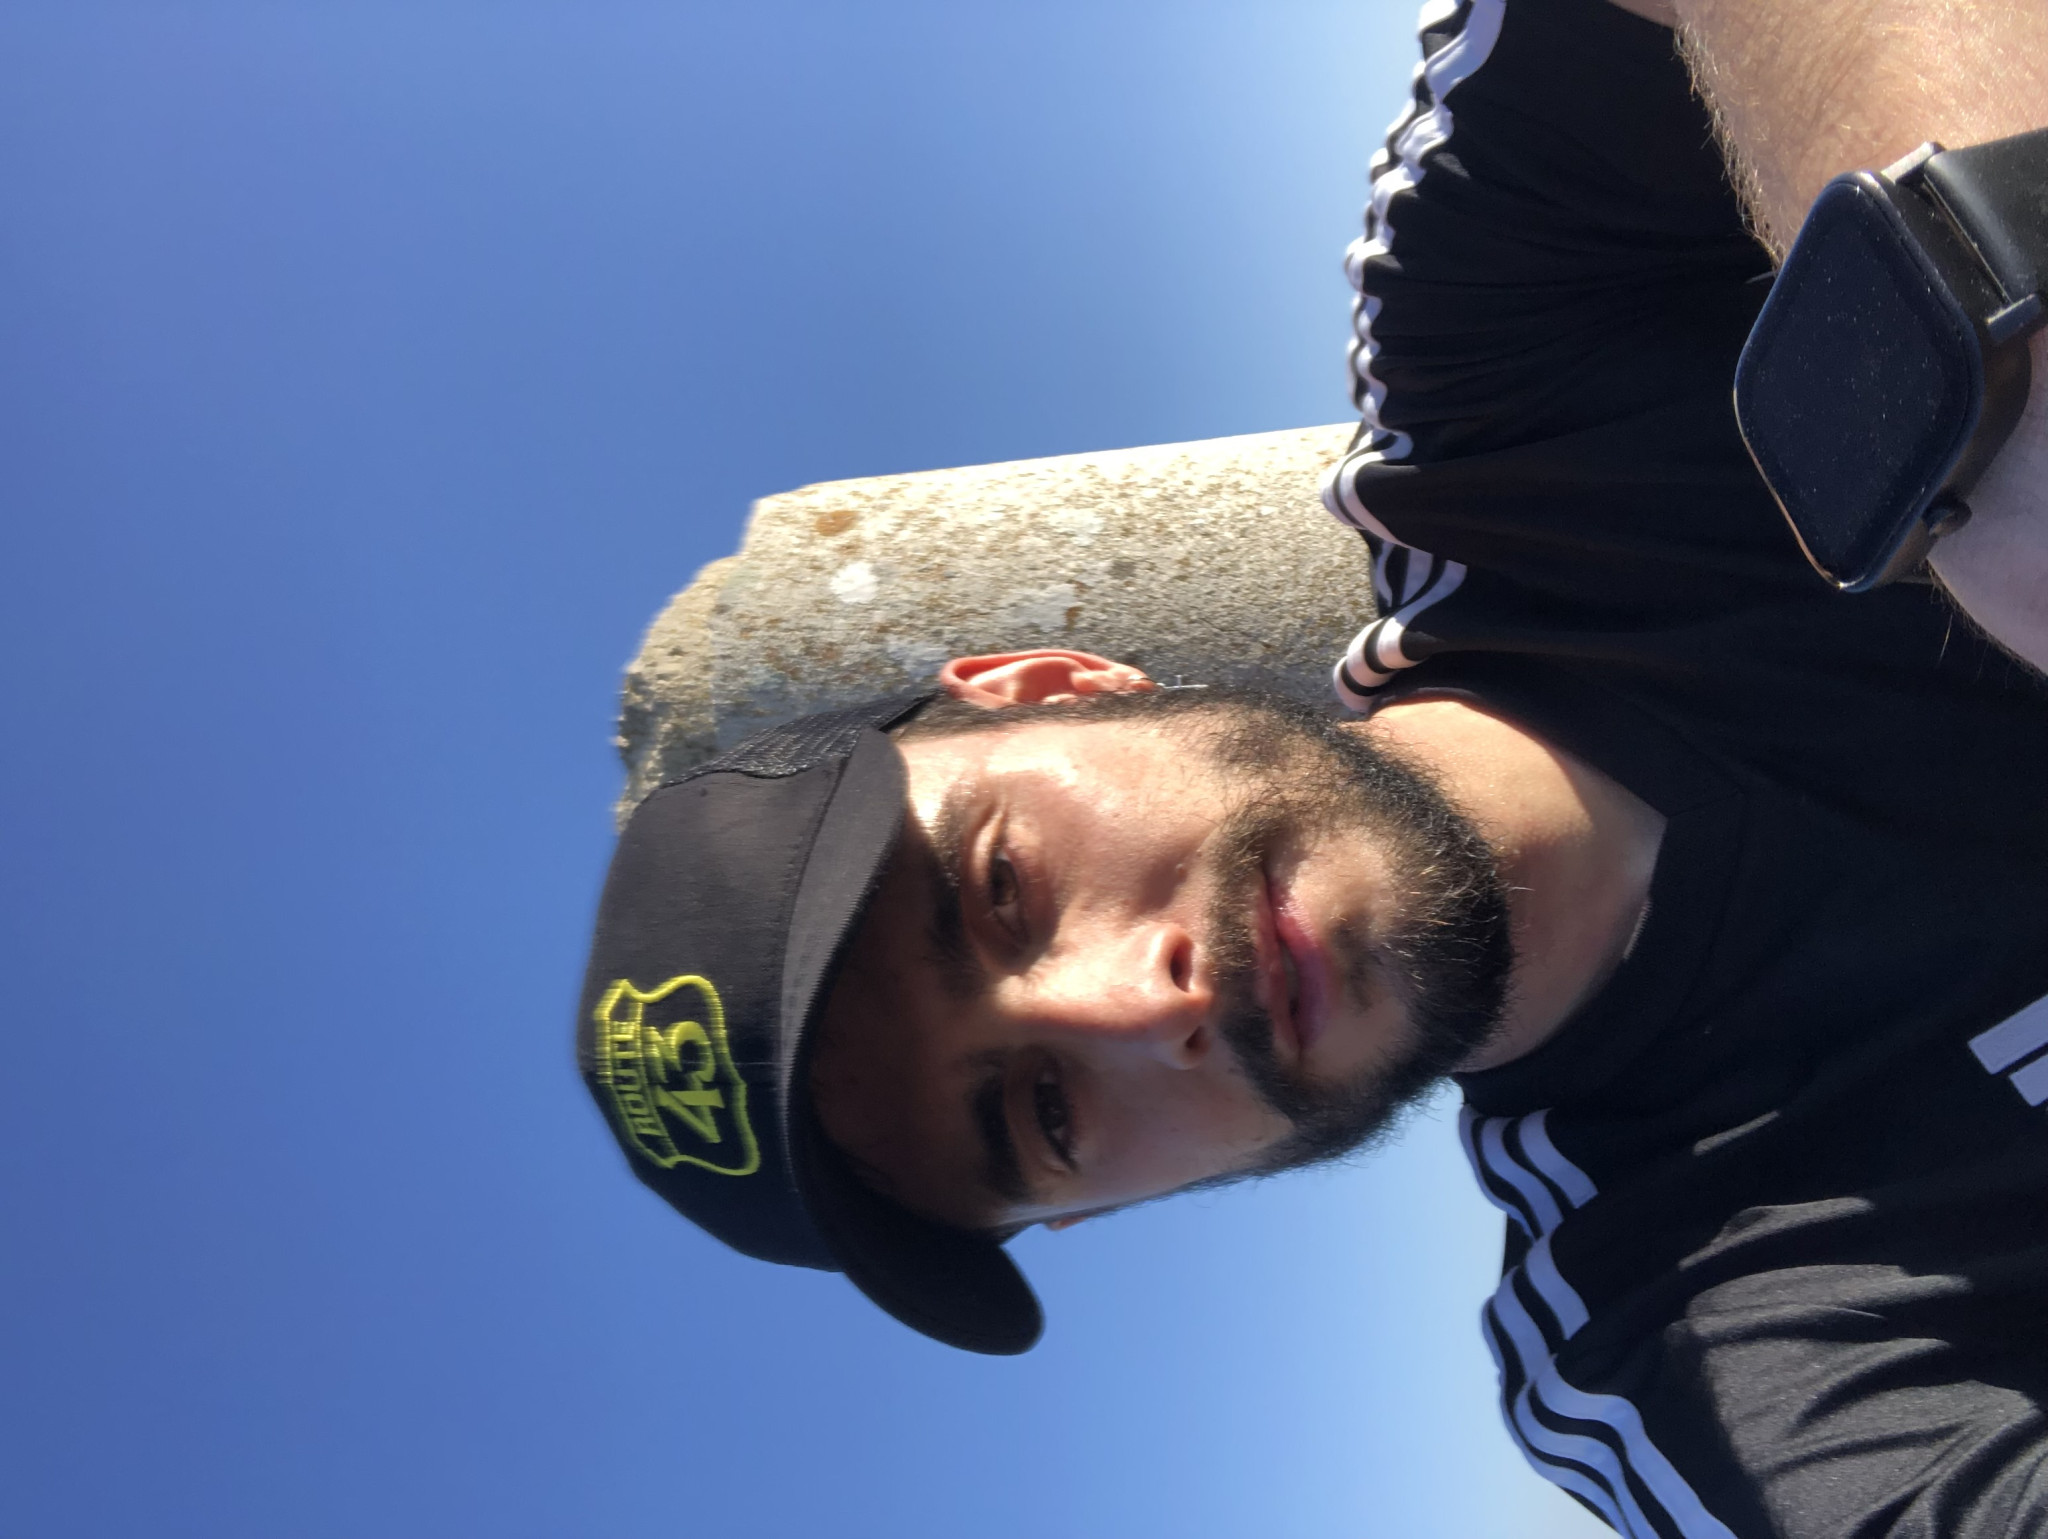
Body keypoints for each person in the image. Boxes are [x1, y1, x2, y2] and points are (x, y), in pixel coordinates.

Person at [575, 0, 2048, 1532]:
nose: (1140, 1007)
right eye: (1046, 1113)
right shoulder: (1697, 1336)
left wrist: (1976, 322)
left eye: (1005, 888)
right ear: (1114, 1206)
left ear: (1050, 685)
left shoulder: (1506, 380)